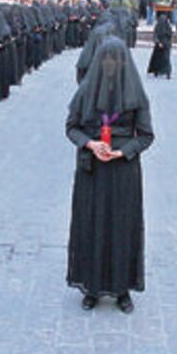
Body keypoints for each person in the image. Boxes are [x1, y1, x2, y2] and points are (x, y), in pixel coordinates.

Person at [66, 37, 154, 314]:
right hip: (92, 170)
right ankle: (91, 286)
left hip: (123, 171)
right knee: (90, 224)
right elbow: (71, 128)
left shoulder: (136, 95)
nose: (110, 64)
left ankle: (122, 288)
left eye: (115, 59)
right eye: (105, 59)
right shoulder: (85, 93)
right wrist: (90, 144)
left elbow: (147, 136)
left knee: (122, 227)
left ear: (124, 62)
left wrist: (122, 151)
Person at [147, 13, 172, 79]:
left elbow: (170, 35)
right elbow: (155, 35)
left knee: (166, 59)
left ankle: (167, 72)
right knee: (158, 59)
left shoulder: (167, 26)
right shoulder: (159, 26)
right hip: (160, 44)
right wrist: (158, 42)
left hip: (166, 44)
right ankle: (157, 71)